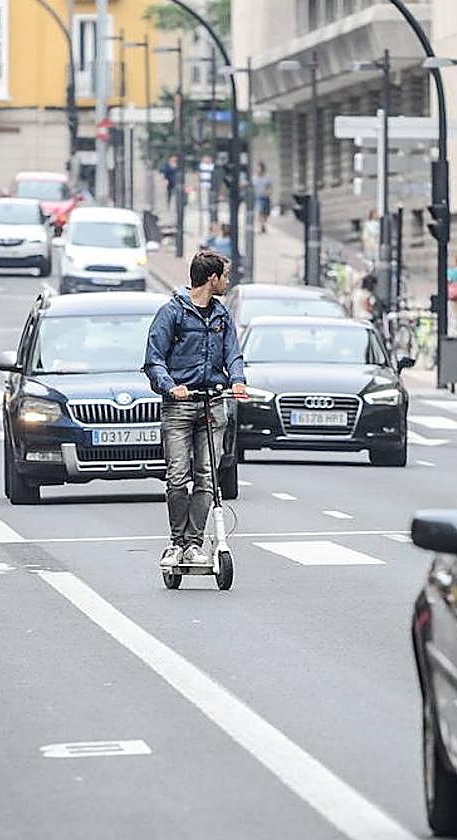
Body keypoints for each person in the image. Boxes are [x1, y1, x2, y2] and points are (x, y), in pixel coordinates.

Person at [144, 251, 246, 568]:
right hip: (179, 407)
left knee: (207, 477)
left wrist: (239, 381)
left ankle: (193, 544)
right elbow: (153, 359)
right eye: (225, 277)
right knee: (177, 476)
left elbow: (233, 354)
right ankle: (176, 542)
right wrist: (170, 385)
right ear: (211, 279)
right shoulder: (171, 313)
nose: (228, 282)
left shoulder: (222, 316)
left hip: (213, 404)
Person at [252, 162, 272, 234]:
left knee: (266, 214)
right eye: (257, 168)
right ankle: (259, 228)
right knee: (259, 212)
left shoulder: (267, 177)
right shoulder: (254, 178)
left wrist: (269, 193)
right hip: (257, 197)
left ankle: (263, 225)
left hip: (265, 197)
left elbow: (270, 187)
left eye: (259, 168)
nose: (258, 169)